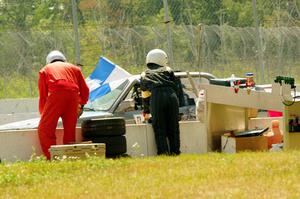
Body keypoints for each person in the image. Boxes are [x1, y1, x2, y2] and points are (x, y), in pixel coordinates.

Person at [38, 50, 89, 160]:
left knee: (45, 129)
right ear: (64, 60)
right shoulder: (75, 68)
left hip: (56, 94)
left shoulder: (45, 70)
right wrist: (81, 105)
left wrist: (43, 114)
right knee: (70, 130)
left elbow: (43, 96)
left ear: (48, 62)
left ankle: (52, 158)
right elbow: (85, 89)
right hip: (73, 96)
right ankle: (70, 157)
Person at [140, 49, 180, 155]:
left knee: (159, 127)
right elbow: (177, 87)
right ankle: (175, 152)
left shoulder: (145, 74)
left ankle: (163, 152)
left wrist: (146, 110)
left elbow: (145, 94)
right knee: (174, 127)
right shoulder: (169, 70)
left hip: (157, 97)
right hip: (172, 97)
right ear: (163, 59)